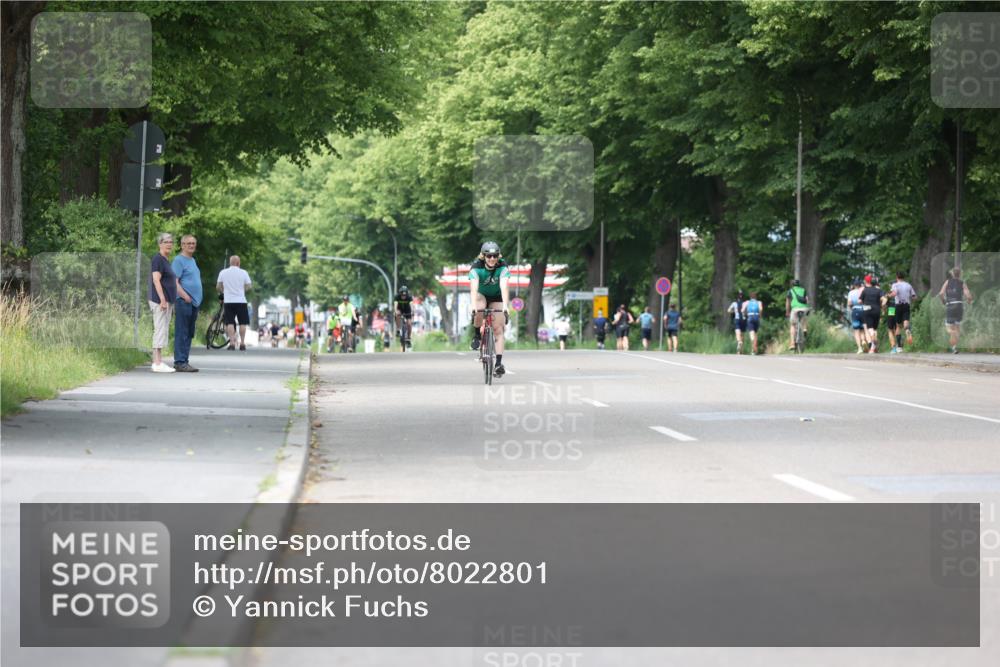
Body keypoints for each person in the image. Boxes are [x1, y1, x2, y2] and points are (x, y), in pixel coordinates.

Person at [468, 241, 511, 376]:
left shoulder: (503, 266)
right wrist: (473, 306)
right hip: (481, 294)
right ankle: (477, 335)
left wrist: (505, 307)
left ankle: (498, 363)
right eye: (489, 256)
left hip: (497, 296)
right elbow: (474, 288)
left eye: (495, 256)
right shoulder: (476, 267)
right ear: (483, 256)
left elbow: (504, 286)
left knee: (498, 329)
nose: (492, 259)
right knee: (479, 308)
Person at [170, 234, 202, 372]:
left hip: (193, 303)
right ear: (182, 245)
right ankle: (179, 362)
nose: (191, 245)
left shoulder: (192, 260)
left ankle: (184, 361)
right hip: (184, 301)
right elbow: (174, 282)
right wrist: (185, 296)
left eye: (193, 243)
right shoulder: (179, 260)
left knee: (189, 333)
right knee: (182, 331)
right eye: (188, 243)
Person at [149, 233, 177, 373]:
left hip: (167, 301)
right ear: (160, 244)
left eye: (171, 242)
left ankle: (158, 361)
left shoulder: (166, 260)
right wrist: (162, 299)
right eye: (166, 242)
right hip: (160, 301)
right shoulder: (158, 259)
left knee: (163, 330)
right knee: (159, 329)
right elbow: (156, 280)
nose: (169, 244)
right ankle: (157, 362)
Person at [216, 255, 253, 351]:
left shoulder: (223, 272)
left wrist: (224, 291)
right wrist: (242, 289)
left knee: (230, 323)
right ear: (238, 263)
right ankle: (242, 343)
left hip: (228, 301)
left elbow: (218, 286)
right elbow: (249, 286)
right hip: (241, 301)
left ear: (230, 262)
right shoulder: (244, 272)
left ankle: (232, 343)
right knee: (242, 323)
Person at [938, 267, 974, 354]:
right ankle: (954, 348)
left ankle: (952, 336)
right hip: (959, 305)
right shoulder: (962, 283)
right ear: (960, 274)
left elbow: (941, 293)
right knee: (957, 327)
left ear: (952, 274)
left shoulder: (948, 282)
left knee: (949, 328)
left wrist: (943, 301)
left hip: (950, 305)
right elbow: (968, 295)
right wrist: (969, 301)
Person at [887, 270, 916, 353]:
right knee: (906, 324)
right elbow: (914, 296)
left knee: (896, 327)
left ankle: (898, 347)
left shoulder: (895, 285)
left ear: (897, 277)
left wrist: (889, 295)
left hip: (896, 307)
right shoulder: (908, 285)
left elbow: (894, 293)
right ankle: (907, 331)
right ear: (904, 277)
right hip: (906, 305)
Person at [859, 274, 883, 353]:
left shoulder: (864, 290)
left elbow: (860, 301)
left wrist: (864, 302)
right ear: (876, 283)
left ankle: (871, 338)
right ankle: (873, 348)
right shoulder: (879, 290)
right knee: (875, 328)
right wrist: (882, 307)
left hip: (867, 309)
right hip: (879, 309)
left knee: (869, 328)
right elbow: (884, 299)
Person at [786, 279, 810, 351]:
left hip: (795, 309)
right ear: (799, 284)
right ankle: (805, 329)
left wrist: (787, 311)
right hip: (804, 308)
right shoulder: (803, 290)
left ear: (792, 285)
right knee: (804, 318)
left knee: (793, 325)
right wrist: (807, 308)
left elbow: (787, 303)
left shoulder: (790, 291)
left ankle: (792, 343)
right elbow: (807, 300)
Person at [847, 279, 865, 354]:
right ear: (860, 285)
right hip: (864, 310)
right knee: (863, 329)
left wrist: (852, 306)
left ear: (854, 285)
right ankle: (864, 340)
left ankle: (860, 348)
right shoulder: (863, 291)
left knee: (856, 331)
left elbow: (849, 303)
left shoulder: (851, 292)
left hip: (855, 311)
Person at [728, 289, 747, 354]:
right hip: (744, 319)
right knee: (742, 334)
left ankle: (739, 342)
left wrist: (734, 311)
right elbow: (746, 311)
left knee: (737, 333)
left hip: (737, 319)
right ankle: (740, 351)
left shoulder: (734, 303)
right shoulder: (745, 303)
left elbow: (728, 310)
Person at [396, 285, 413, 350]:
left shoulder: (409, 297)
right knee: (397, 314)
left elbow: (411, 305)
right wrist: (395, 311)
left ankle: (408, 338)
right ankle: (398, 329)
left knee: (409, 324)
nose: (403, 296)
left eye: (405, 295)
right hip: (399, 309)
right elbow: (395, 305)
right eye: (402, 295)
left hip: (407, 310)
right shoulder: (397, 297)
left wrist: (412, 311)